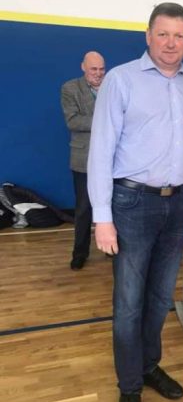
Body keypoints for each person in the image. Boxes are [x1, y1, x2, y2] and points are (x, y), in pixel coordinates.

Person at [87, 2, 183, 402]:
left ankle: (149, 365)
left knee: (160, 299)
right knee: (129, 303)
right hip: (131, 204)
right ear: (148, 36)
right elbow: (100, 151)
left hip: (179, 206)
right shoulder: (121, 80)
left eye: (179, 36)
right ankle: (129, 389)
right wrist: (102, 218)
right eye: (163, 34)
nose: (171, 43)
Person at [61, 51, 105, 270]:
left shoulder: (112, 86)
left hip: (113, 160)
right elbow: (73, 121)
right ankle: (80, 253)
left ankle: (111, 248)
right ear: (83, 67)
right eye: (93, 69)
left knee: (115, 207)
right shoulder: (70, 88)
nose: (98, 73)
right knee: (83, 209)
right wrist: (106, 119)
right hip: (83, 159)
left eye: (102, 69)